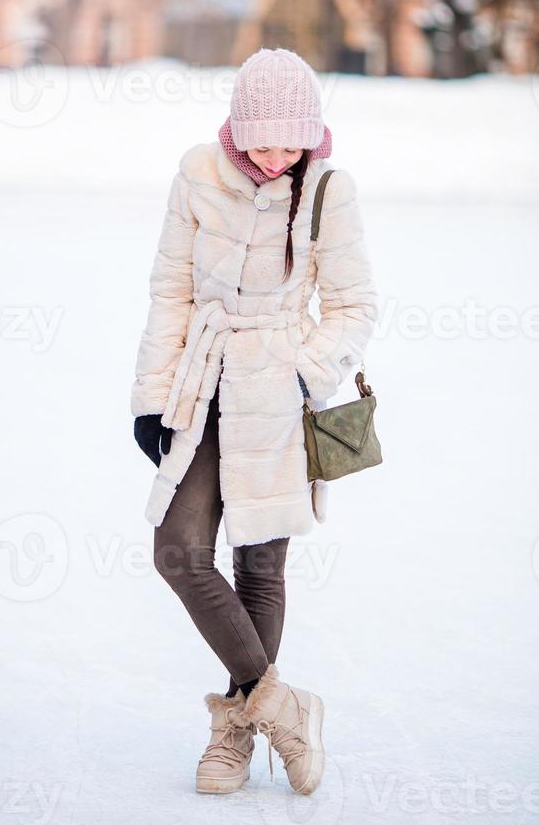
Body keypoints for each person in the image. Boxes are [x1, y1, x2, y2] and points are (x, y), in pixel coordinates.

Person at [130, 47, 378, 796]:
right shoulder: (197, 173)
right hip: (202, 382)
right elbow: (171, 292)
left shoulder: (329, 188)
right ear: (236, 130)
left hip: (276, 389)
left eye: (289, 142)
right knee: (178, 550)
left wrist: (304, 368)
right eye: (262, 142)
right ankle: (284, 706)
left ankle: (235, 733)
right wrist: (150, 399)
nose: (276, 157)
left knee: (260, 568)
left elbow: (353, 308)